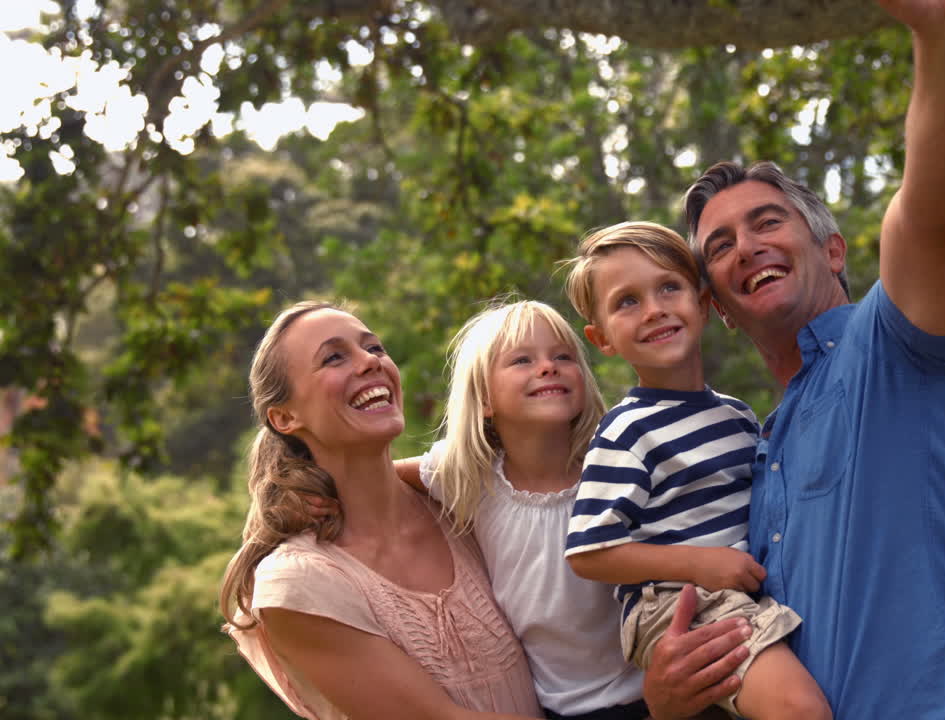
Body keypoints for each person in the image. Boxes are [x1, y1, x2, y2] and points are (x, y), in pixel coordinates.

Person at [643, 0, 945, 718]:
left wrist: (943, 32)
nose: (745, 246)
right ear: (718, 305)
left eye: (768, 222)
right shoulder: (753, 452)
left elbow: (939, 214)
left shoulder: (901, 345)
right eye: (720, 247)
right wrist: (666, 695)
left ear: (833, 249)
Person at [219, 301, 542, 719]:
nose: (370, 362)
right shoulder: (297, 583)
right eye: (334, 357)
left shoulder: (462, 504)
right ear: (284, 417)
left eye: (374, 348)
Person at [560, 222, 831, 720]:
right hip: (679, 600)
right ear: (602, 339)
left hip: (746, 590)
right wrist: (698, 565)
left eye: (669, 287)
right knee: (801, 710)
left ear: (703, 303)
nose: (654, 309)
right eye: (627, 302)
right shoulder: (627, 430)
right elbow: (589, 553)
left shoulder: (738, 417)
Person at [401, 299, 649, 720]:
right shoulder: (471, 477)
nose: (548, 367)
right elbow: (379, 477)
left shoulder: (615, 464)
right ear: (483, 400)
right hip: (557, 709)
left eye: (563, 356)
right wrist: (311, 490)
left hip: (651, 692)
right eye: (522, 360)